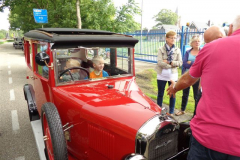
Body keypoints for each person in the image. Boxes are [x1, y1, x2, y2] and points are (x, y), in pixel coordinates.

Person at [167, 15, 240, 159]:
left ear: (231, 28)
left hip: (208, 138)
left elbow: (188, 79)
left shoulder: (213, 47)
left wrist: (175, 88)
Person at [155, 30, 182, 116]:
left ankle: (171, 112)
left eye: (175, 38)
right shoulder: (161, 49)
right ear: (166, 38)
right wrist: (171, 64)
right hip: (161, 75)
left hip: (173, 76)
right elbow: (159, 62)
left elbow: (180, 62)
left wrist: (170, 63)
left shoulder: (177, 50)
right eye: (171, 38)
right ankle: (158, 110)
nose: (173, 39)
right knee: (160, 93)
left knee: (172, 93)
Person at [175, 35, 201, 116]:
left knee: (196, 96)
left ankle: (196, 113)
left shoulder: (202, 51)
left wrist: (192, 63)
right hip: (187, 76)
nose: (197, 42)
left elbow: (201, 63)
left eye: (198, 41)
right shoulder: (187, 52)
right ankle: (182, 110)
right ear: (192, 43)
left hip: (197, 78)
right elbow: (185, 64)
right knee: (185, 94)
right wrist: (195, 64)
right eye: (195, 41)